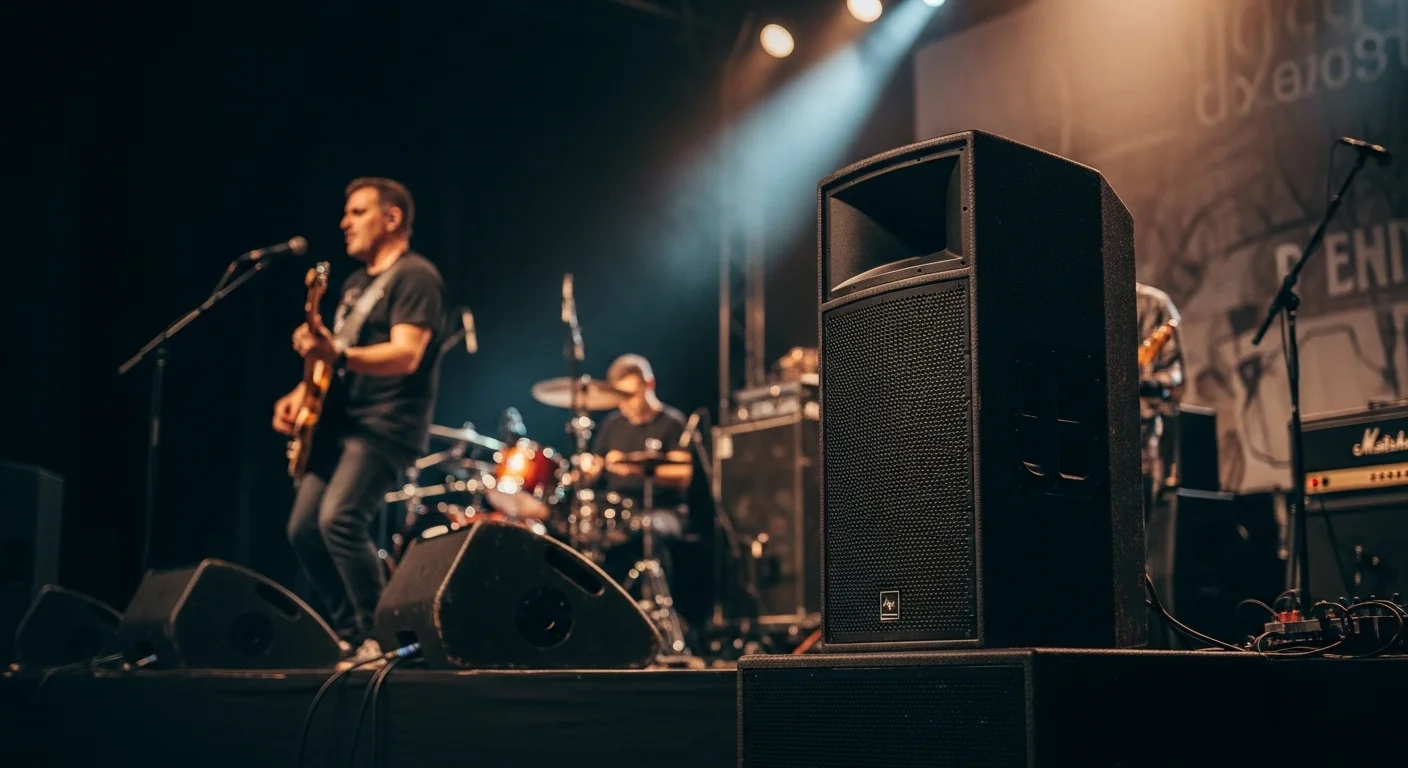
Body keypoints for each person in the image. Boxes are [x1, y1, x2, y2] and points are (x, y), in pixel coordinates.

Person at [272, 177, 446, 668]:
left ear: (391, 219)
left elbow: (407, 353)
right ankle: (350, 635)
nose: (344, 223)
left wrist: (340, 352)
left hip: (384, 426)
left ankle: (385, 635)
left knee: (339, 519)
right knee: (303, 528)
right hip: (339, 427)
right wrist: (298, 395)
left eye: (357, 212)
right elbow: (332, 363)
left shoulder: (416, 277)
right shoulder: (352, 286)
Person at [576, 354, 693, 582]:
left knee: (650, 530)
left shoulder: (672, 423)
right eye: (620, 396)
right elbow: (595, 465)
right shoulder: (612, 425)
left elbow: (682, 475)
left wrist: (633, 468)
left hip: (665, 510)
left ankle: (657, 605)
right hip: (619, 511)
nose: (625, 402)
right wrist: (587, 468)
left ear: (649, 384)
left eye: (631, 395)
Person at [1136, 282, 1185, 650]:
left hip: (1140, 438)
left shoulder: (1153, 304)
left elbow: (1175, 377)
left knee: (1140, 551)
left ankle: (1152, 645)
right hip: (1086, 435)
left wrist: (1137, 378)